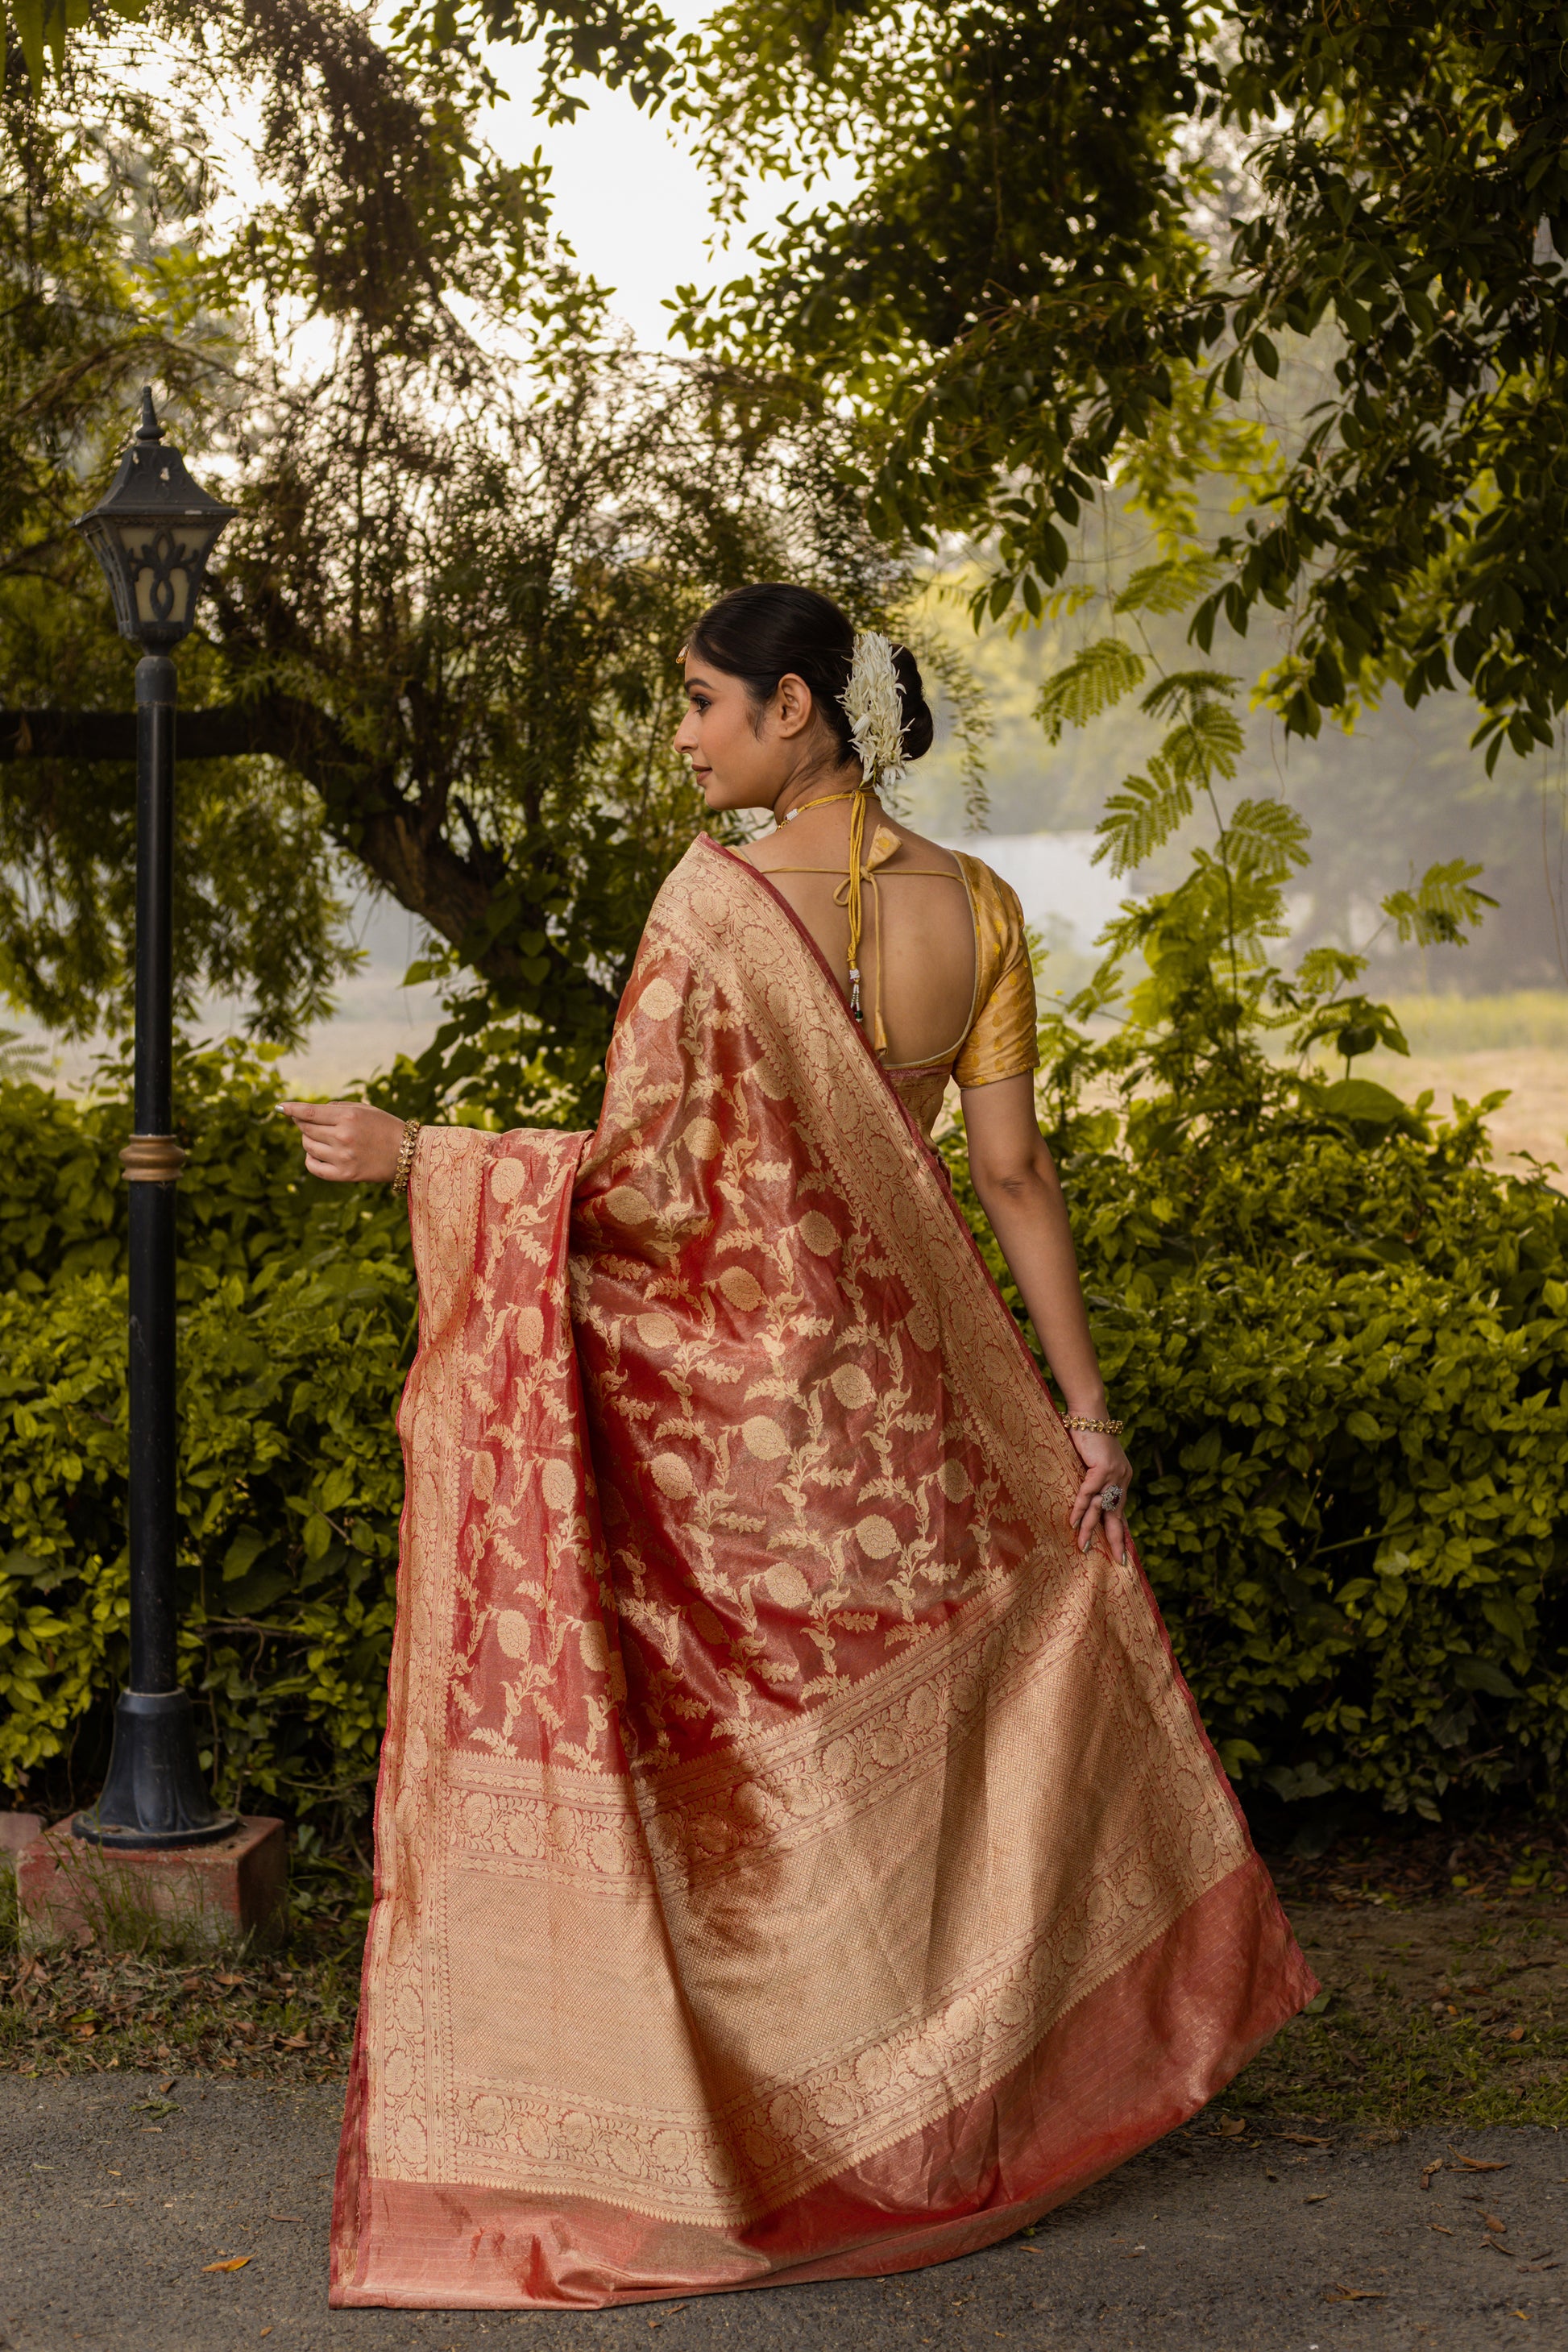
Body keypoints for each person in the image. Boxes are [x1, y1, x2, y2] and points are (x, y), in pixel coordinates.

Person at [283, 583, 1313, 2314]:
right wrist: (1079, 1413)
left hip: (738, 1435)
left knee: (763, 1803)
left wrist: (426, 1161)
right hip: (910, 1420)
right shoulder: (975, 906)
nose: (680, 736)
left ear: (789, 707)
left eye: (695, 702)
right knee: (916, 1781)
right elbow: (1009, 1182)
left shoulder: (709, 906)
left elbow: (643, 1192)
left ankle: (758, 2143)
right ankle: (923, 2118)